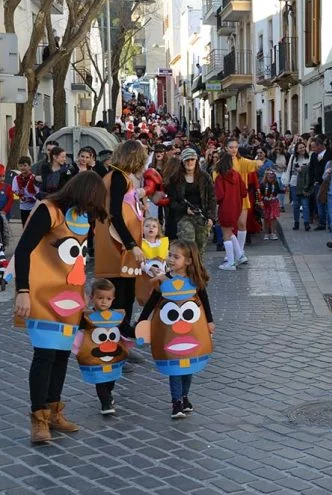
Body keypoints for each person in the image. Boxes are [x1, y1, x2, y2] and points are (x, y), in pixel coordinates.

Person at [12, 171, 107, 442]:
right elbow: (23, 249)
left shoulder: (80, 217)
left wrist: (84, 291)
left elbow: (77, 259)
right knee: (45, 355)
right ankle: (38, 417)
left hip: (70, 298)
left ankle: (54, 410)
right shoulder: (49, 211)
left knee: (62, 355)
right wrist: (22, 290)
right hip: (42, 295)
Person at [133, 239, 215, 418]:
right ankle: (176, 402)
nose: (170, 259)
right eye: (169, 255)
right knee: (174, 367)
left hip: (191, 331)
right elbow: (151, 303)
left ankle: (185, 396)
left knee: (188, 367)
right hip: (170, 333)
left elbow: (205, 301)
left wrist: (209, 321)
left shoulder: (194, 281)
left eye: (175, 257)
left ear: (187, 261)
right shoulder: (163, 281)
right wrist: (142, 321)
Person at [94, 140, 148, 336]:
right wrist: (131, 244)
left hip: (119, 244)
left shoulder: (119, 176)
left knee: (126, 293)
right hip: (117, 246)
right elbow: (114, 213)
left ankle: (122, 337)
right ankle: (117, 340)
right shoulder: (117, 177)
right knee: (120, 295)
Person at [73, 279, 129, 415]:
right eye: (100, 298)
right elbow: (77, 327)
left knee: (111, 377)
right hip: (94, 355)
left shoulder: (116, 316)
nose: (104, 302)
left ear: (113, 299)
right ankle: (105, 403)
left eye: (108, 298)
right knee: (100, 378)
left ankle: (108, 394)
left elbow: (126, 329)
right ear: (92, 298)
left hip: (113, 354)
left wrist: (139, 332)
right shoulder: (87, 316)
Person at [166, 148, 216, 261]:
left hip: (202, 216)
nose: (189, 162)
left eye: (192, 159)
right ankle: (188, 275)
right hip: (183, 216)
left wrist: (211, 218)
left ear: (196, 160)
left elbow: (212, 198)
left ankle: (198, 275)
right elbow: (172, 201)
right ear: (182, 162)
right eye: (187, 160)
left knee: (200, 249)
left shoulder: (205, 177)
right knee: (187, 247)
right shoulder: (175, 179)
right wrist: (184, 209)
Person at [220, 138, 261, 262]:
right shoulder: (222, 163)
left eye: (235, 147)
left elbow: (256, 164)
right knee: (228, 227)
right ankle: (234, 252)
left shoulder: (242, 161)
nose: (233, 149)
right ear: (226, 148)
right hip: (228, 198)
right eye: (231, 147)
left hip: (242, 197)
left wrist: (259, 160)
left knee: (242, 224)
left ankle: (240, 251)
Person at [214, 152, 247, 271]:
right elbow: (244, 192)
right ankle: (239, 255)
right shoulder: (237, 175)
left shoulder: (220, 177)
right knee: (230, 231)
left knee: (226, 234)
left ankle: (231, 262)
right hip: (236, 207)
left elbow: (219, 195)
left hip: (225, 207)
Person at [135, 217, 168, 305]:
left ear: (158, 230)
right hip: (146, 278)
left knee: (163, 300)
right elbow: (137, 262)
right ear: (142, 229)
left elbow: (168, 258)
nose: (151, 228)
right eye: (147, 226)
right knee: (148, 299)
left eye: (154, 226)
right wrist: (150, 268)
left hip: (162, 276)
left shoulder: (163, 243)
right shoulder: (139, 244)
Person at [285, 140, 312, 231]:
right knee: (296, 204)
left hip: (305, 184)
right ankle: (296, 222)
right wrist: (287, 183)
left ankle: (306, 223)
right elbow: (288, 170)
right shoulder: (293, 158)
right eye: (300, 148)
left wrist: (303, 169)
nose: (302, 149)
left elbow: (310, 169)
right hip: (294, 183)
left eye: (303, 147)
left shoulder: (309, 158)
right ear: (296, 150)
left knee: (305, 204)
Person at [308, 136, 331, 231]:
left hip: (327, 183)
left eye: (314, 147)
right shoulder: (313, 156)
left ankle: (330, 223)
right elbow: (311, 169)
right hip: (317, 183)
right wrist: (311, 181)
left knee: (328, 204)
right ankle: (321, 223)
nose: (313, 149)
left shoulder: (330, 154)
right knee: (319, 204)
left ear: (321, 146)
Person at [12, 156, 37, 226]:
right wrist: (21, 195)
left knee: (34, 227)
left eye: (25, 165)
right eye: (20, 166)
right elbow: (15, 191)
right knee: (25, 226)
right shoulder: (16, 178)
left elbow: (38, 192)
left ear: (29, 166)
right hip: (23, 207)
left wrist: (32, 198)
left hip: (34, 207)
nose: (22, 167)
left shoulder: (34, 178)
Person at [261, 169, 281, 241]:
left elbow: (278, 190)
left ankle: (273, 233)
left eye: (273, 177)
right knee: (266, 218)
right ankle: (266, 233)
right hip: (265, 202)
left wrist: (283, 190)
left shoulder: (275, 183)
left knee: (273, 218)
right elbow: (260, 193)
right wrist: (261, 201)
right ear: (266, 176)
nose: (271, 179)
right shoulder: (263, 184)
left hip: (274, 202)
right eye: (270, 177)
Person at [0, 165, 13, 248]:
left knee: (3, 230)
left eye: (3, 176)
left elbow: (10, 200)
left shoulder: (8, 187)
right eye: (0, 176)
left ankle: (3, 245)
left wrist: (5, 211)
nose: (2, 178)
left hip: (4, 213)